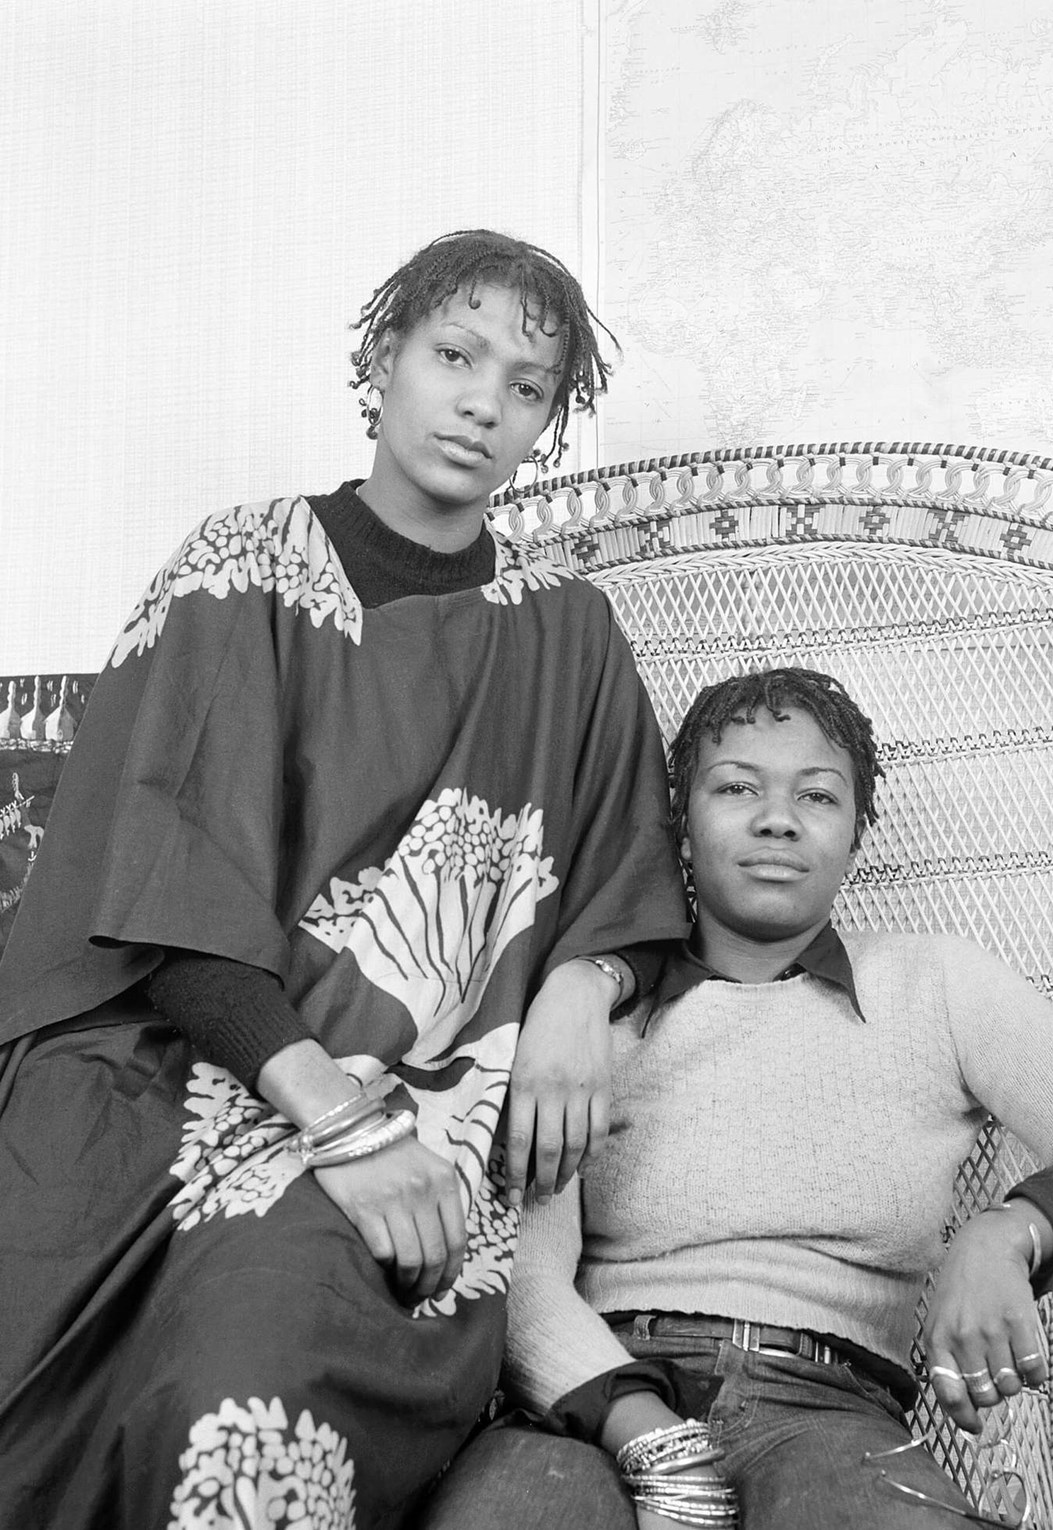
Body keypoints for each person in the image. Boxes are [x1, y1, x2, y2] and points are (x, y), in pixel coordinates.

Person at [0, 229, 688, 1529]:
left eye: (530, 385)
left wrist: (578, 999)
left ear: (549, 427)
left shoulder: (570, 635)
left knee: (244, 1380)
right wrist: (339, 1124)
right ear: (383, 360)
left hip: (427, 1118)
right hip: (172, 1061)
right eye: (455, 354)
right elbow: (165, 885)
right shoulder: (239, 566)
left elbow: (627, 891)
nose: (486, 400)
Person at [418, 666, 1053, 1529]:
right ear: (680, 825)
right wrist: (647, 1435)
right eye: (736, 787)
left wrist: (1010, 1232)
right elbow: (523, 1277)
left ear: (856, 836)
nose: (777, 818)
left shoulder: (934, 984)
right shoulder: (591, 1020)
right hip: (593, 1401)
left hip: (831, 1412)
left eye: (818, 797)